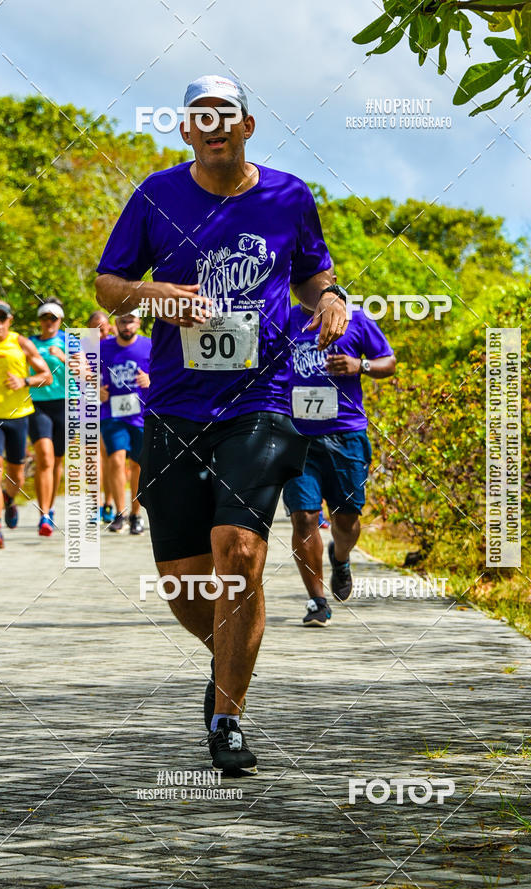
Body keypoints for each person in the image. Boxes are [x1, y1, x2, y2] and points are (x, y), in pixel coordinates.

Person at [95, 74, 347, 774]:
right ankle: (232, 663)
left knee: (237, 551)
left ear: (247, 126)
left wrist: (332, 300)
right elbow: (108, 283)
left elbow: (313, 273)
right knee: (182, 580)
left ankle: (227, 717)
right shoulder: (156, 195)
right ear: (185, 131)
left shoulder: (289, 195)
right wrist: (155, 295)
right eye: (199, 117)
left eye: (225, 116)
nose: (213, 126)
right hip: (175, 406)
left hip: (261, 401)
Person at [284, 302, 396, 626]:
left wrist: (359, 366)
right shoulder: (284, 318)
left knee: (346, 522)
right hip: (298, 436)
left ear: (331, 283)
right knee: (304, 517)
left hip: (345, 435)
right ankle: (317, 601)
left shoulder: (356, 318)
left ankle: (341, 556)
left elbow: (389, 363)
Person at [0, 300, 52, 548]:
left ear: (10, 320)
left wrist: (24, 380)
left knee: (16, 475)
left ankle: (8, 498)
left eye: (1, 319)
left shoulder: (20, 343)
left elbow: (47, 376)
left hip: (18, 416)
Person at [99, 312, 151, 535]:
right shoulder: (103, 347)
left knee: (137, 465)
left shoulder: (150, 345)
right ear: (115, 324)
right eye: (122, 321)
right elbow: (84, 373)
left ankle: (136, 514)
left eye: (131, 321)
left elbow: (167, 374)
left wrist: (150, 380)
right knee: (116, 460)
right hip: (112, 412)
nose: (127, 325)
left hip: (140, 414)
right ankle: (120, 513)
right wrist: (95, 389)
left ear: (138, 322)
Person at [28, 298, 66, 536]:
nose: (48, 322)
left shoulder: (69, 341)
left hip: (64, 404)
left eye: (53, 318)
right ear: (39, 320)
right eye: (44, 318)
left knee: (57, 461)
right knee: (45, 457)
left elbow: (87, 373)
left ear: (60, 320)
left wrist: (63, 357)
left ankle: (50, 509)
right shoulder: (30, 343)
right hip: (37, 404)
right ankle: (43, 515)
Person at [87, 309, 115, 523]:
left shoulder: (116, 345)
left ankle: (109, 503)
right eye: (96, 329)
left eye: (103, 329)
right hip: (88, 406)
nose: (100, 333)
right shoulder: (84, 347)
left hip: (113, 409)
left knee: (112, 459)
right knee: (92, 459)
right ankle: (95, 506)